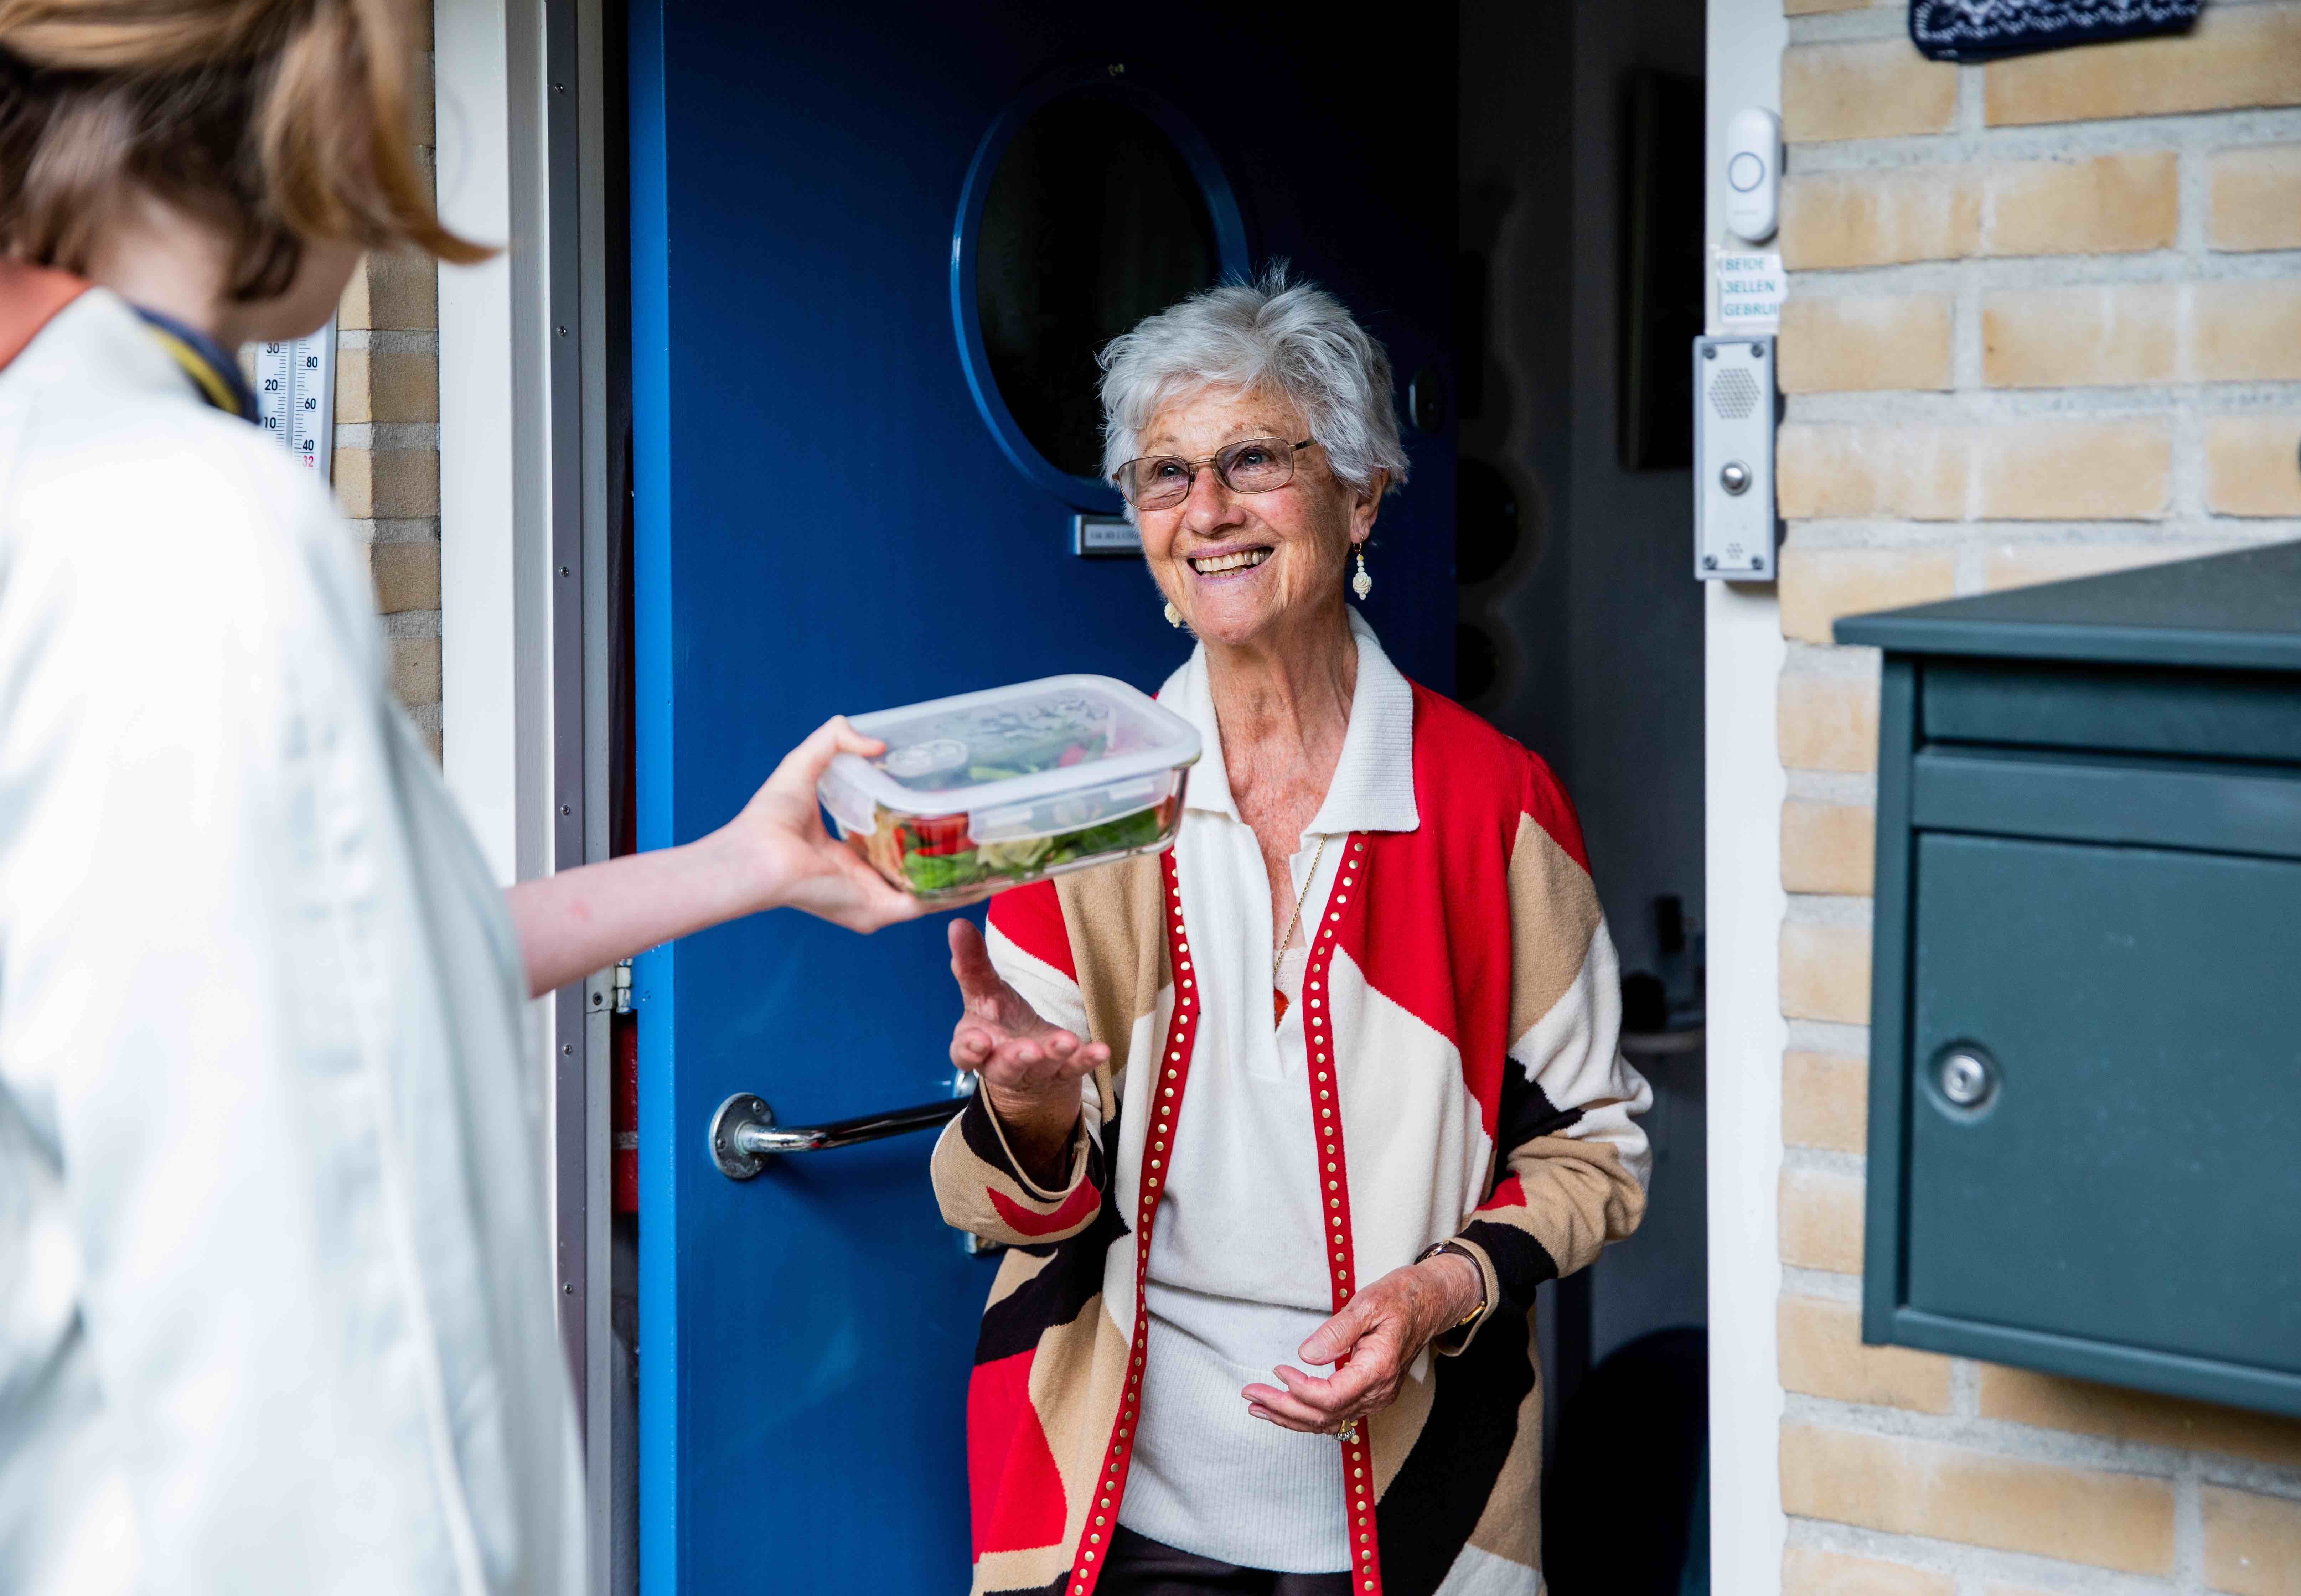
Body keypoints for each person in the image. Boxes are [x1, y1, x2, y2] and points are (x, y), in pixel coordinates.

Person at [0, 4, 933, 1591]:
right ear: (315, 98)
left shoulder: (75, 480)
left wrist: (747, 864)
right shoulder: (191, 535)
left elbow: (330, 979)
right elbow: (329, 1413)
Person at [931, 267, 1653, 1596]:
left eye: (1255, 460)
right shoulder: (1088, 805)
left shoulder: (1489, 804)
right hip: (1109, 1510)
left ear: (1363, 493)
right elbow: (997, 1203)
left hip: (1424, 1507)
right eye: (1165, 475)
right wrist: (1026, 1112)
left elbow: (1596, 1153)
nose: (1207, 510)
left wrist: (1437, 1294)